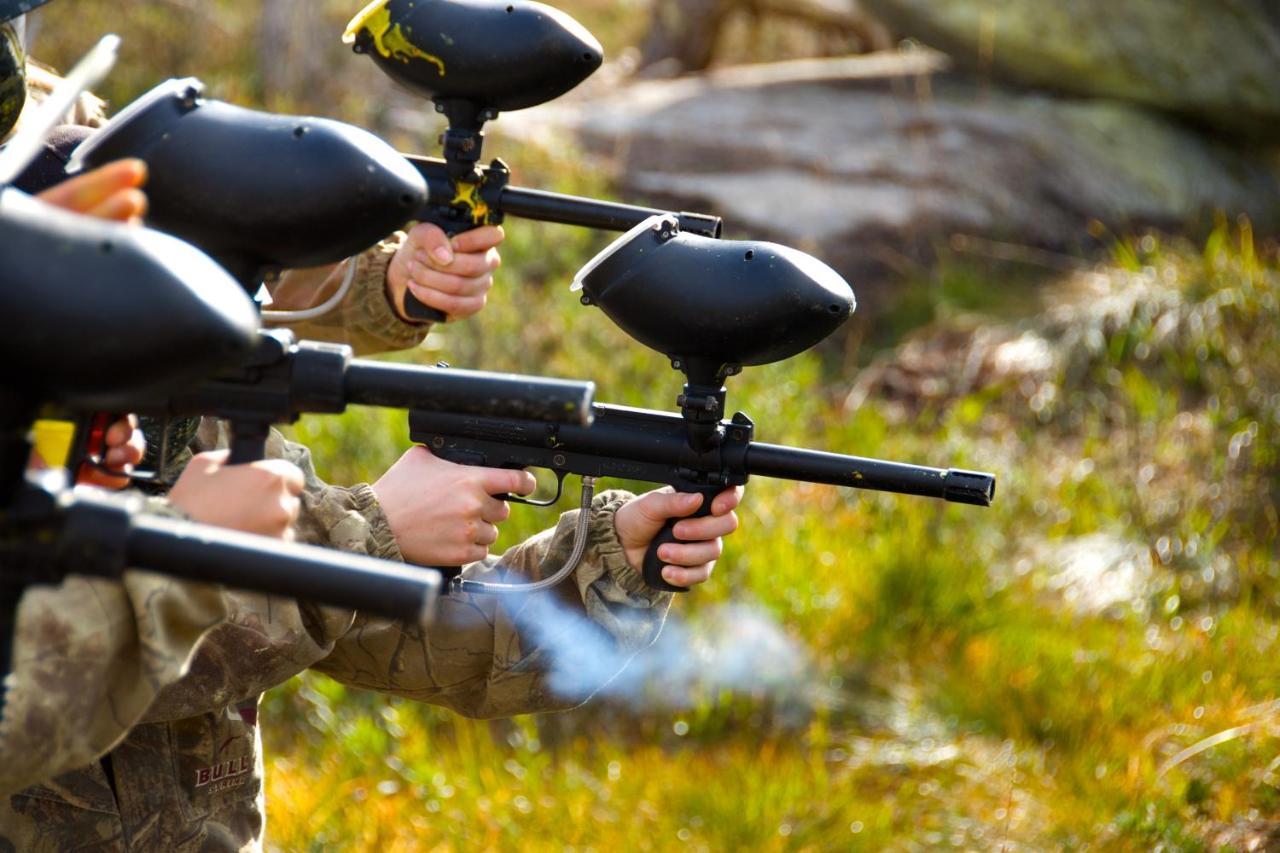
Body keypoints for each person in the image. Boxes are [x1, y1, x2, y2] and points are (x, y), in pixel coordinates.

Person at [1, 10, 746, 851]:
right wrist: (366, 535)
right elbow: (66, 671)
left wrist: (603, 569)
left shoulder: (155, 375)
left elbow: (362, 633)